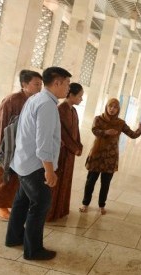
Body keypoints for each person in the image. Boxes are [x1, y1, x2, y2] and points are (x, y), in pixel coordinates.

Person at [5, 67, 72, 261]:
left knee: (21, 202)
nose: (68, 88)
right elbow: (43, 142)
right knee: (40, 204)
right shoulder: (47, 105)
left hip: (23, 162)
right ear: (57, 83)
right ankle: (33, 250)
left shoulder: (35, 98)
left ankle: (13, 238)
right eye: (67, 84)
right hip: (35, 166)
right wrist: (49, 171)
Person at [0, 70, 43, 219]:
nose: (40, 87)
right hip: (10, 147)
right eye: (36, 84)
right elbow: (1, 124)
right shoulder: (11, 100)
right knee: (6, 177)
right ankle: (2, 206)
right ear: (24, 84)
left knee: (21, 179)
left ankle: (16, 205)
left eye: (41, 84)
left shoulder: (36, 101)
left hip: (27, 148)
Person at [79, 98, 141, 215]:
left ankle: (101, 205)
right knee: (90, 181)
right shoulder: (98, 119)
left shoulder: (120, 123)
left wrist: (139, 129)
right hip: (97, 154)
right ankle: (85, 204)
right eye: (110, 106)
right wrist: (106, 132)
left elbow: (132, 135)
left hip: (110, 157)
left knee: (105, 183)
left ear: (118, 109)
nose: (112, 109)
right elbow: (94, 130)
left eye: (115, 107)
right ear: (107, 106)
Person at [47, 83, 84, 221]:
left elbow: (76, 132)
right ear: (72, 95)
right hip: (61, 152)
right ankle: (51, 212)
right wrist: (74, 148)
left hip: (70, 153)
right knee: (57, 180)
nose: (81, 99)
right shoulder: (60, 109)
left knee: (66, 180)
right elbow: (61, 133)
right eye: (80, 96)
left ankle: (61, 209)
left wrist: (79, 145)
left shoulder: (73, 111)